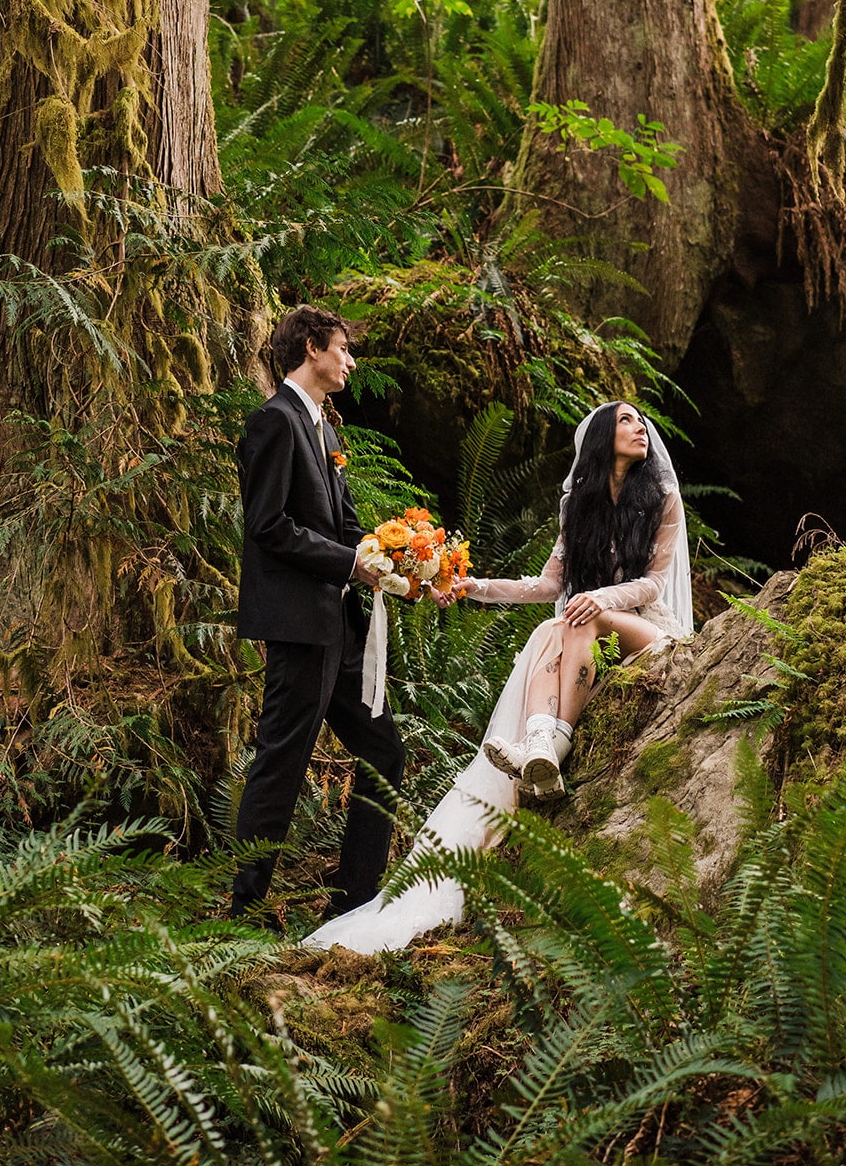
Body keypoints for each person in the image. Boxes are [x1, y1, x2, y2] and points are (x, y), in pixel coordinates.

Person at [303, 400, 692, 954]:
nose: (641, 430)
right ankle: (541, 744)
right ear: (603, 438)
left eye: (642, 422)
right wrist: (474, 587)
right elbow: (543, 585)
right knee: (551, 630)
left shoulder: (663, 499)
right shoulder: (577, 507)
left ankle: (548, 741)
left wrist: (598, 597)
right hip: (588, 626)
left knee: (577, 615)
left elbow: (655, 583)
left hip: (649, 628)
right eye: (627, 421)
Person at [231, 305, 406, 925]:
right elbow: (268, 526)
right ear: (311, 347)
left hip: (341, 628)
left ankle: (353, 904)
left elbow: (347, 520)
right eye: (344, 348)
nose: (351, 361)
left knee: (384, 751)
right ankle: (242, 912)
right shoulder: (273, 422)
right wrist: (346, 564)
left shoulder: (326, 429)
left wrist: (393, 561)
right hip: (300, 627)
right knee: (281, 762)